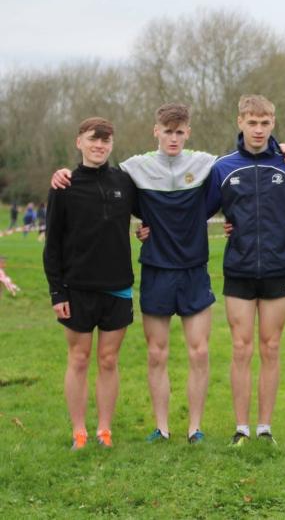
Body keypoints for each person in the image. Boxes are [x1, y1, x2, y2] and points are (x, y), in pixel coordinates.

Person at [51, 104, 217, 444]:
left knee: (196, 352)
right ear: (155, 131)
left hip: (177, 274)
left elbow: (242, 165)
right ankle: (151, 427)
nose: (173, 137)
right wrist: (59, 173)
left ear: (188, 132)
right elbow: (58, 236)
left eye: (180, 131)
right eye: (167, 131)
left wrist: (283, 151)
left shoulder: (196, 165)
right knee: (150, 354)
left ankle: (192, 428)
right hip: (139, 275)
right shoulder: (125, 172)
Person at [205, 95, 285, 446]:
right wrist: (149, 228)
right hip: (239, 269)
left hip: (279, 267)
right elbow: (196, 212)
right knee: (240, 348)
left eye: (265, 123)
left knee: (271, 347)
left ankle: (264, 428)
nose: (259, 129)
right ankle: (241, 429)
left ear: (273, 123)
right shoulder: (223, 168)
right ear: (240, 122)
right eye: (252, 122)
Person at [43, 117, 137, 449]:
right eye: (92, 139)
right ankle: (79, 431)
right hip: (77, 287)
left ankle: (104, 430)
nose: (99, 146)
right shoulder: (64, 185)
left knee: (109, 360)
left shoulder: (124, 181)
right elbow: (52, 243)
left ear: (112, 144)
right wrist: (57, 290)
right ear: (79, 142)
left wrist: (147, 228)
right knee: (79, 358)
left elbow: (151, 215)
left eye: (105, 140)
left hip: (117, 286)